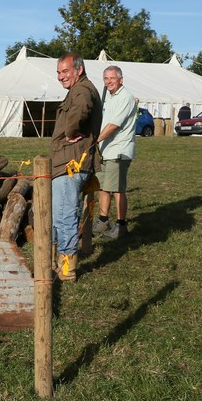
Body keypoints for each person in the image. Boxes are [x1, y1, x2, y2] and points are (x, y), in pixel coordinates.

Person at [50, 52, 102, 282]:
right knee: (61, 214)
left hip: (71, 163)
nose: (61, 77)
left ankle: (66, 268)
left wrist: (71, 131)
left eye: (65, 71)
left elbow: (80, 110)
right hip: (67, 162)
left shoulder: (81, 90)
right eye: (59, 72)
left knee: (64, 215)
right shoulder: (79, 88)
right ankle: (55, 261)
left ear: (78, 70)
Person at [92, 66, 137, 240]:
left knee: (118, 189)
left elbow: (113, 125)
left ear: (121, 79)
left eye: (112, 78)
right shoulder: (108, 97)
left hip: (119, 151)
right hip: (105, 150)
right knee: (102, 186)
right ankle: (103, 220)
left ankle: (121, 225)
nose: (109, 81)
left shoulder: (125, 97)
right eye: (106, 78)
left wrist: (95, 140)